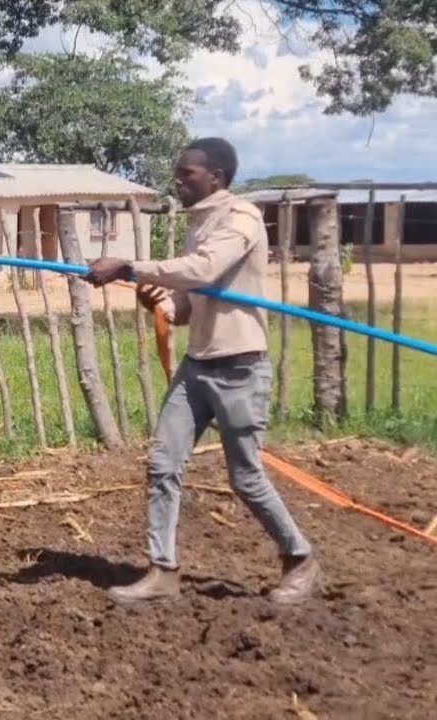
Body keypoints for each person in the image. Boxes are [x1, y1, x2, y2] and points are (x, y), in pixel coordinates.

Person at [82, 137, 322, 605]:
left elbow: (205, 268)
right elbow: (189, 305)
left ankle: (301, 560)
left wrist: (131, 267)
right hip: (197, 368)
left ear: (217, 177)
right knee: (162, 465)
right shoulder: (199, 224)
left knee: (246, 477)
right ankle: (163, 570)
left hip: (240, 369)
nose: (178, 178)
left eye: (187, 172)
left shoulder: (240, 219)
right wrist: (162, 302)